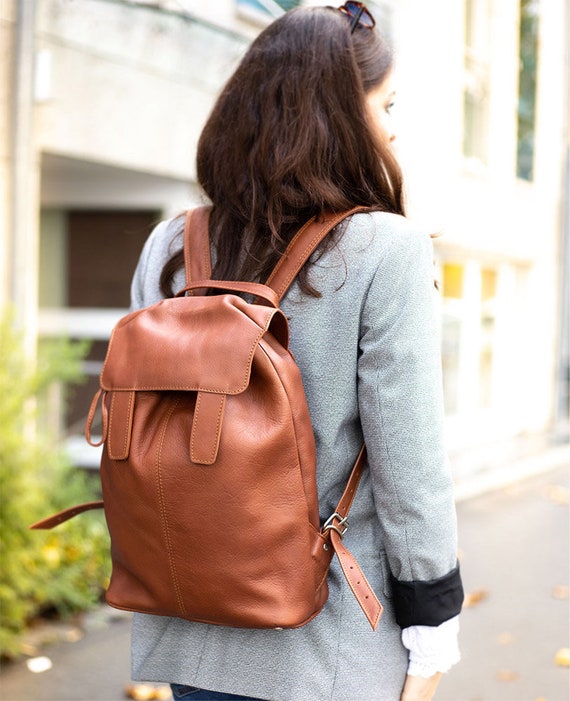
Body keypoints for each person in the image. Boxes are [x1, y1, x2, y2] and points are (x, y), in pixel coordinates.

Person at [128, 3, 464, 700]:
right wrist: (433, 634)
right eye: (386, 103)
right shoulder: (386, 249)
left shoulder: (170, 245)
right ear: (343, 115)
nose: (394, 125)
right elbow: (411, 467)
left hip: (189, 625)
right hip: (328, 638)